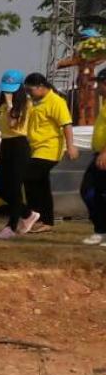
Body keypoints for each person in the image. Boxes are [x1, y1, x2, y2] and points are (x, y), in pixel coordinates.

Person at [3, 72, 74, 238]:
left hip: (49, 149)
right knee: (41, 184)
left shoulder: (56, 101)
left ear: (41, 87)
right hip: (35, 148)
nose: (29, 93)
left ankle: (33, 215)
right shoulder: (35, 102)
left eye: (30, 90)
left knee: (28, 177)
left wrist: (71, 146)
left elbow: (66, 124)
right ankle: (45, 221)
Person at [0, 70, 33, 236]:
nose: (7, 92)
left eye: (11, 89)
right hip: (6, 145)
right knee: (0, 187)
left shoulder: (25, 104)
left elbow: (13, 124)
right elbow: (1, 126)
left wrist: (10, 104)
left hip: (19, 145)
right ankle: (27, 214)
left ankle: (11, 226)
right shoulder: (2, 106)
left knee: (14, 187)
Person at [86, 67, 106, 246]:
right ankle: (100, 229)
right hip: (99, 153)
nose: (97, 87)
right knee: (89, 191)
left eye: (99, 83)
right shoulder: (104, 103)